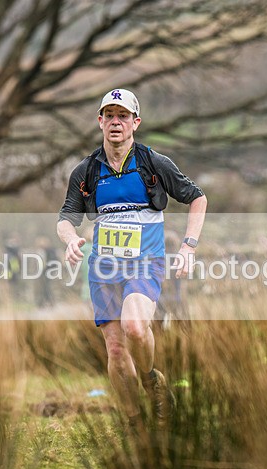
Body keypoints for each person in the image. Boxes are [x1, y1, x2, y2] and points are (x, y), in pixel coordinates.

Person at [57, 88, 207, 429]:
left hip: (146, 262)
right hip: (104, 268)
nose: (115, 122)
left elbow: (198, 198)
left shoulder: (154, 163)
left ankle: (151, 379)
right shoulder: (86, 171)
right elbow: (67, 216)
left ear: (135, 123)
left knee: (136, 328)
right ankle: (135, 423)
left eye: (122, 116)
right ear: (99, 121)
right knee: (114, 349)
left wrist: (188, 246)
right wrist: (69, 240)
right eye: (109, 115)